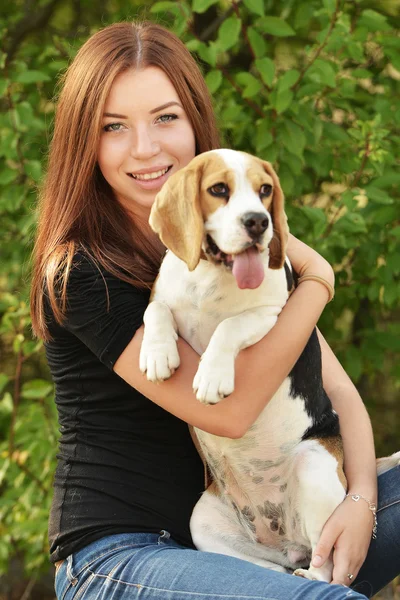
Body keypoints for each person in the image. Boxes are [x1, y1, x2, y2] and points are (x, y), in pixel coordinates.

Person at [30, 21, 399, 600]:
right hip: (123, 553)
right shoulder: (79, 270)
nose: (146, 147)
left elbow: (341, 395)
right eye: (114, 127)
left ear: (195, 120)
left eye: (165, 117)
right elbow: (229, 413)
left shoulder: (238, 236)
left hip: (273, 517)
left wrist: (360, 501)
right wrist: (318, 279)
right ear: (86, 141)